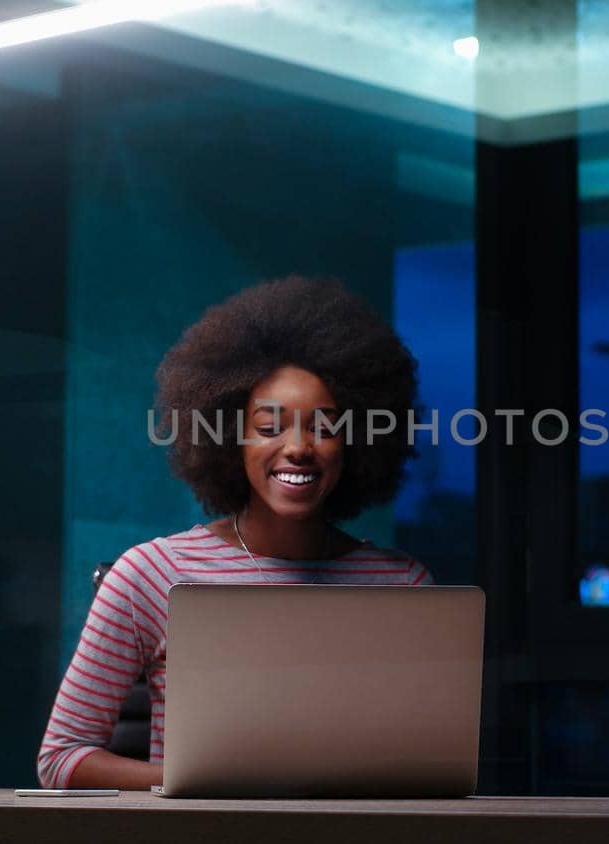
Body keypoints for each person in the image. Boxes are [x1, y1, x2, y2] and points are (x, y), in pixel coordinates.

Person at [36, 277, 434, 789]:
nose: (298, 448)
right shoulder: (149, 575)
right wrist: (195, 780)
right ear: (231, 439)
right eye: (269, 427)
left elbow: (425, 763)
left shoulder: (402, 586)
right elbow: (61, 758)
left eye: (324, 427)